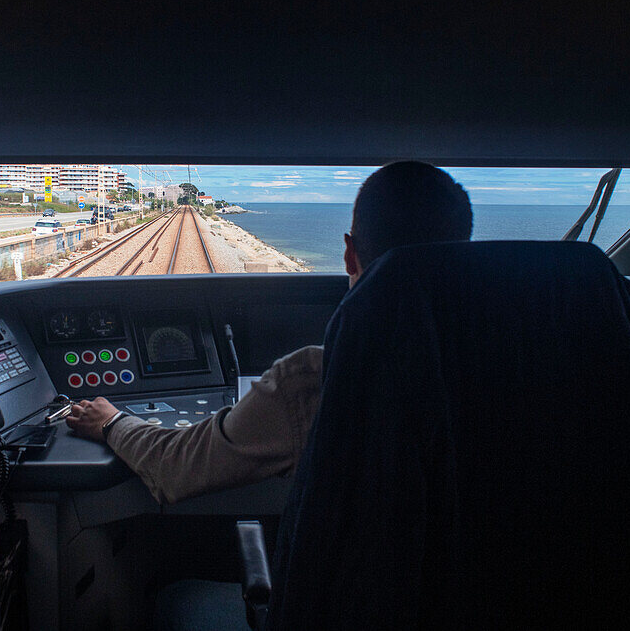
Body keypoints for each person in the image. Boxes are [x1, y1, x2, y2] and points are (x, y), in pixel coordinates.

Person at [66, 161, 474, 503]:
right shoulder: (518, 372)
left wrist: (111, 421)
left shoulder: (315, 381)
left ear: (349, 254)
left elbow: (174, 467)